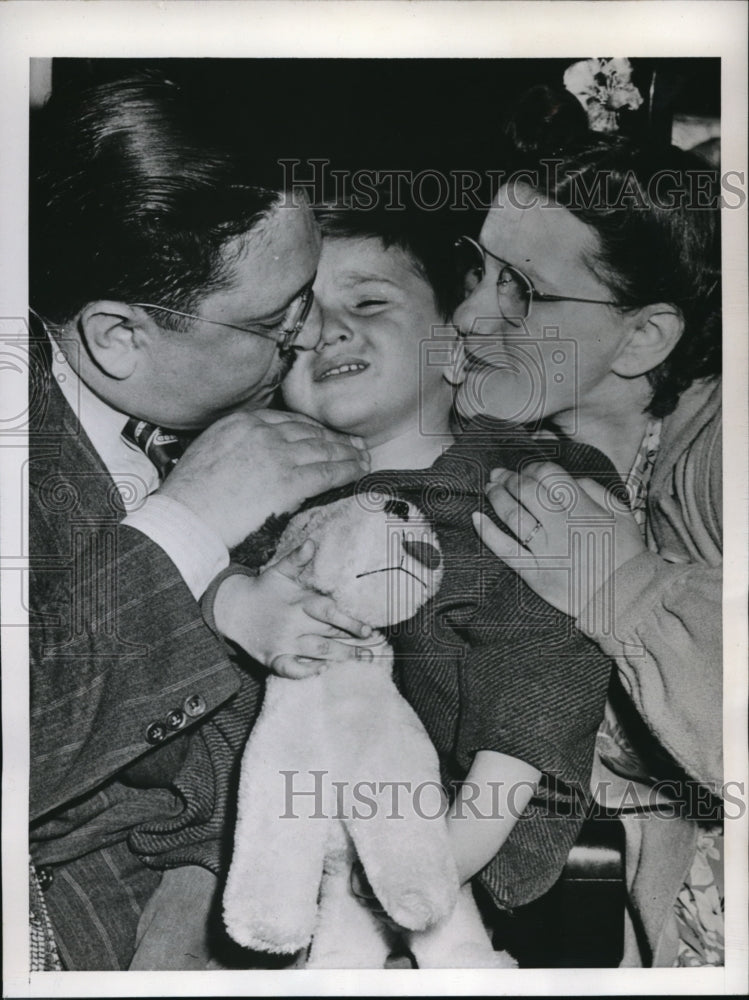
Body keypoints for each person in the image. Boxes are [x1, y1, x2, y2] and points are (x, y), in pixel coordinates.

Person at [28, 72, 373, 970]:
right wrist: (185, 523)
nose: (307, 337)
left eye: (305, 295)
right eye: (271, 320)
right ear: (118, 337)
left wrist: (198, 868)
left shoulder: (209, 409)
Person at [211, 201, 616, 963]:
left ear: (453, 348)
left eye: (368, 303)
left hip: (473, 844)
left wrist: (441, 859)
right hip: (283, 844)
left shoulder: (528, 482)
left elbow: (544, 674)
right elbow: (197, 587)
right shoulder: (268, 488)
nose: (326, 331)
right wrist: (230, 600)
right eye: (300, 321)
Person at [453, 132, 722, 966]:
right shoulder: (504, 451)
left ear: (642, 339)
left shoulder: (724, 451)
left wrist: (627, 590)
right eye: (476, 270)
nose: (467, 318)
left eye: (523, 290)